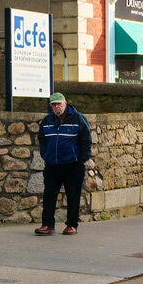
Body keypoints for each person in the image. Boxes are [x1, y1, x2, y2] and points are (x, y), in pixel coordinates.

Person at [35, 92, 91, 236]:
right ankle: (47, 225)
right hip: (52, 165)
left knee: (73, 195)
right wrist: (45, 155)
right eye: (54, 104)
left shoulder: (78, 119)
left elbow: (86, 140)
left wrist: (82, 159)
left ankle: (71, 225)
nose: (57, 107)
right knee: (49, 195)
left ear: (65, 103)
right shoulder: (47, 121)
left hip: (73, 164)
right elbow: (42, 140)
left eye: (59, 104)